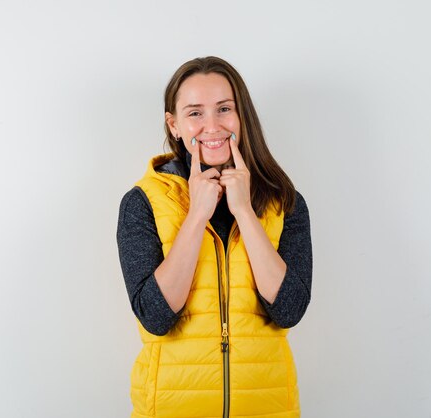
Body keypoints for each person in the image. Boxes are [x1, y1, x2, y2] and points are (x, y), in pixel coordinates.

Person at [116, 56, 312, 418]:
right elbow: (156, 318)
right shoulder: (142, 202)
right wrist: (196, 216)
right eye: (194, 113)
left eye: (224, 109)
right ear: (173, 125)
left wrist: (245, 213)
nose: (212, 126)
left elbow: (289, 310)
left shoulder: (284, 201)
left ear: (242, 116)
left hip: (268, 409)